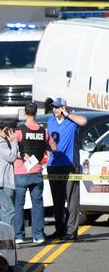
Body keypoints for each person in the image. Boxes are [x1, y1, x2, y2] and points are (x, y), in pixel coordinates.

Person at [14, 103, 57, 245]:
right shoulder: (43, 131)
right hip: (37, 172)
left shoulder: (19, 131)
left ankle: (19, 236)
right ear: (36, 113)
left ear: (25, 114)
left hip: (20, 172)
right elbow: (54, 148)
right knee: (37, 205)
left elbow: (13, 148)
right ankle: (38, 235)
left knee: (19, 205)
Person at [46, 98, 88, 240]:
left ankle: (71, 231)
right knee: (57, 200)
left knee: (72, 199)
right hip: (53, 165)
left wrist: (67, 114)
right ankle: (60, 229)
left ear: (63, 107)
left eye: (57, 107)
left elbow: (84, 121)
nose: (55, 110)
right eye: (53, 108)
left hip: (69, 165)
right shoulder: (51, 122)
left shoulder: (72, 121)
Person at [0, 122, 19, 226]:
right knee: (9, 210)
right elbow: (11, 157)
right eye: (11, 130)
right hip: (3, 180)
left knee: (7, 208)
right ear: (5, 129)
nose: (13, 133)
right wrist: (14, 142)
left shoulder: (2, 141)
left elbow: (14, 154)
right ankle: (7, 236)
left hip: (2, 179)